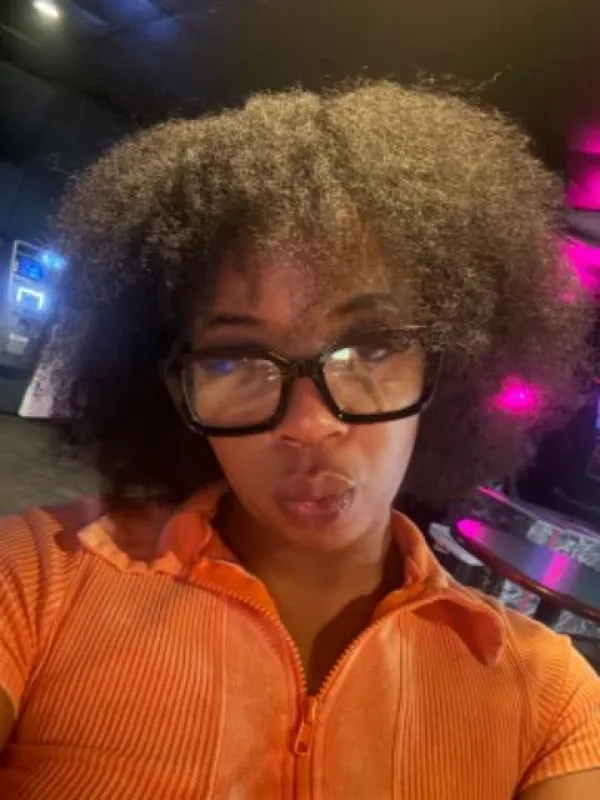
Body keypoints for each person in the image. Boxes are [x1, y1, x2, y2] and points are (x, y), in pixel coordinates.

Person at [0, 81, 599, 799]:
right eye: (235, 360)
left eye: (370, 347)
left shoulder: (551, 699)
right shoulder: (35, 578)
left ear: (449, 364)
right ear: (172, 386)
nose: (310, 425)